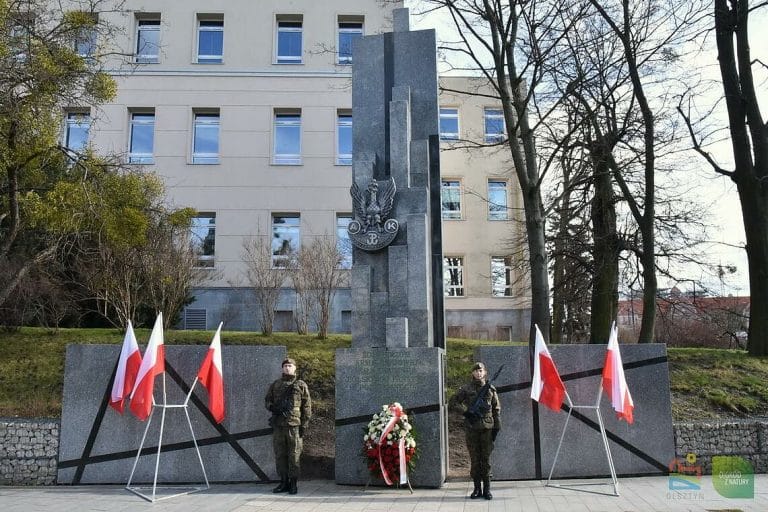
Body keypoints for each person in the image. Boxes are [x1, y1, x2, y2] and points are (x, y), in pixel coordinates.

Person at [449, 361, 501, 500]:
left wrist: (497, 426)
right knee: (475, 459)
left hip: (487, 429)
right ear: (472, 373)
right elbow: (453, 402)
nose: (479, 373)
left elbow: (496, 409)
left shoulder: (491, 389)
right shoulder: (466, 389)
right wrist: (466, 412)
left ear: (485, 372)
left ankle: (487, 490)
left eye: (481, 371)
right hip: (472, 428)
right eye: (476, 371)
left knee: (486, 459)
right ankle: (477, 489)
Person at [265, 358, 311, 495]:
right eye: (285, 366)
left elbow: (307, 406)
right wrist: (273, 408)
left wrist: (304, 424)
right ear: (282, 368)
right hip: (278, 425)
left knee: (294, 455)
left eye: (290, 366)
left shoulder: (300, 385)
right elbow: (267, 400)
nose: (287, 368)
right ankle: (283, 482)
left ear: (295, 368)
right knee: (280, 455)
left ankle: (293, 483)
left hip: (294, 426)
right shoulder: (275, 384)